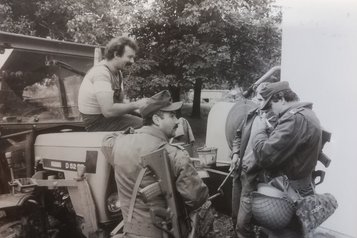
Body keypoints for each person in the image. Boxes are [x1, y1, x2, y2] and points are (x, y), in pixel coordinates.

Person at [106, 90, 208, 238]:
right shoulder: (175, 155)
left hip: (130, 232)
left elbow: (107, 140)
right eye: (172, 116)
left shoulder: (118, 144)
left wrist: (135, 131)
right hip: (164, 233)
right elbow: (197, 197)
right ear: (156, 119)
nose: (177, 120)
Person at [252, 81, 322, 234]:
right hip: (301, 188)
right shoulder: (306, 113)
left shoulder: (294, 119)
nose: (271, 111)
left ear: (282, 98)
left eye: (271, 106)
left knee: (286, 233)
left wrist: (260, 131)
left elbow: (264, 155)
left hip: (290, 194)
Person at [230, 83, 277, 238]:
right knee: (235, 216)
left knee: (243, 224)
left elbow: (272, 151)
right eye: (256, 96)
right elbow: (237, 136)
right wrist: (236, 154)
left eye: (260, 98)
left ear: (270, 100)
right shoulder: (252, 114)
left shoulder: (275, 121)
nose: (256, 100)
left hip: (253, 175)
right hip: (238, 171)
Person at [78, 36, 148, 131]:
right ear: (116, 55)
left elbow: (119, 103)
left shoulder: (117, 72)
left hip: (107, 118)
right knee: (147, 126)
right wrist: (136, 105)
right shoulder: (101, 73)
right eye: (129, 57)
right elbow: (108, 111)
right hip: (97, 123)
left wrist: (140, 111)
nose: (132, 61)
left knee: (148, 119)